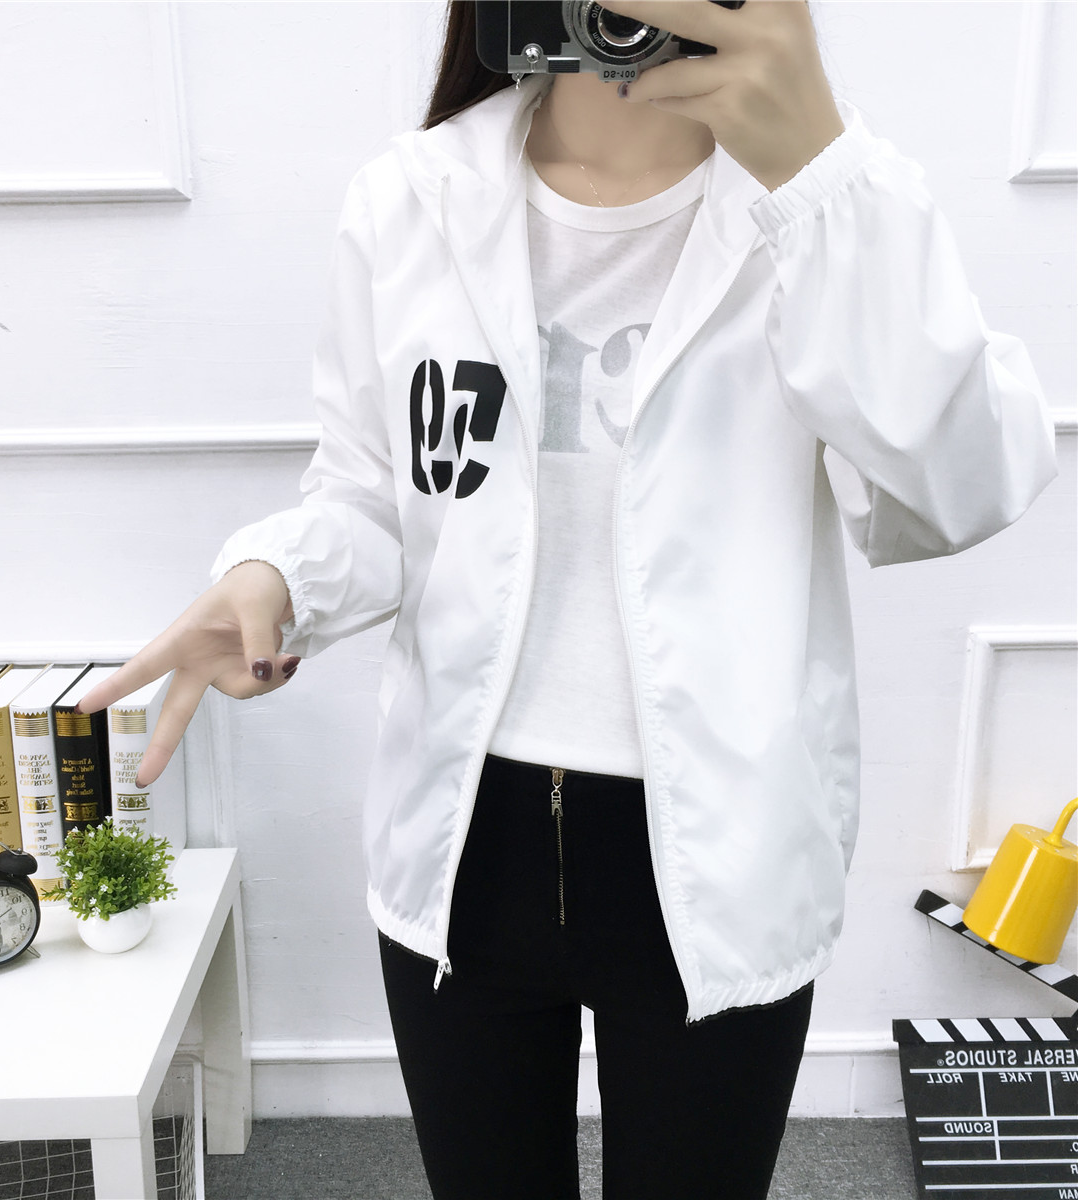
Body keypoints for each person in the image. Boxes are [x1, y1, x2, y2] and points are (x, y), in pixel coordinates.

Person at [77, 2, 1058, 1196]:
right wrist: (277, 573)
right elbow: (377, 493)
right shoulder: (411, 198)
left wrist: (820, 173)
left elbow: (957, 488)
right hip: (462, 842)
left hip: (719, 848)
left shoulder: (827, 203)